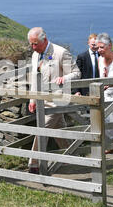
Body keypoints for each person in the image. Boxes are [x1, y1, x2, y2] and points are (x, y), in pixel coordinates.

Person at [27, 27, 81, 174]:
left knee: (41, 130)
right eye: (31, 44)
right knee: (59, 129)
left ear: (44, 40)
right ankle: (72, 156)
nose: (33, 47)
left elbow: (77, 73)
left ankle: (34, 164)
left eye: (35, 44)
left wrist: (65, 78)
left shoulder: (60, 52)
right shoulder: (34, 55)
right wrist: (32, 99)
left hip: (58, 99)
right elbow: (34, 78)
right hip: (41, 99)